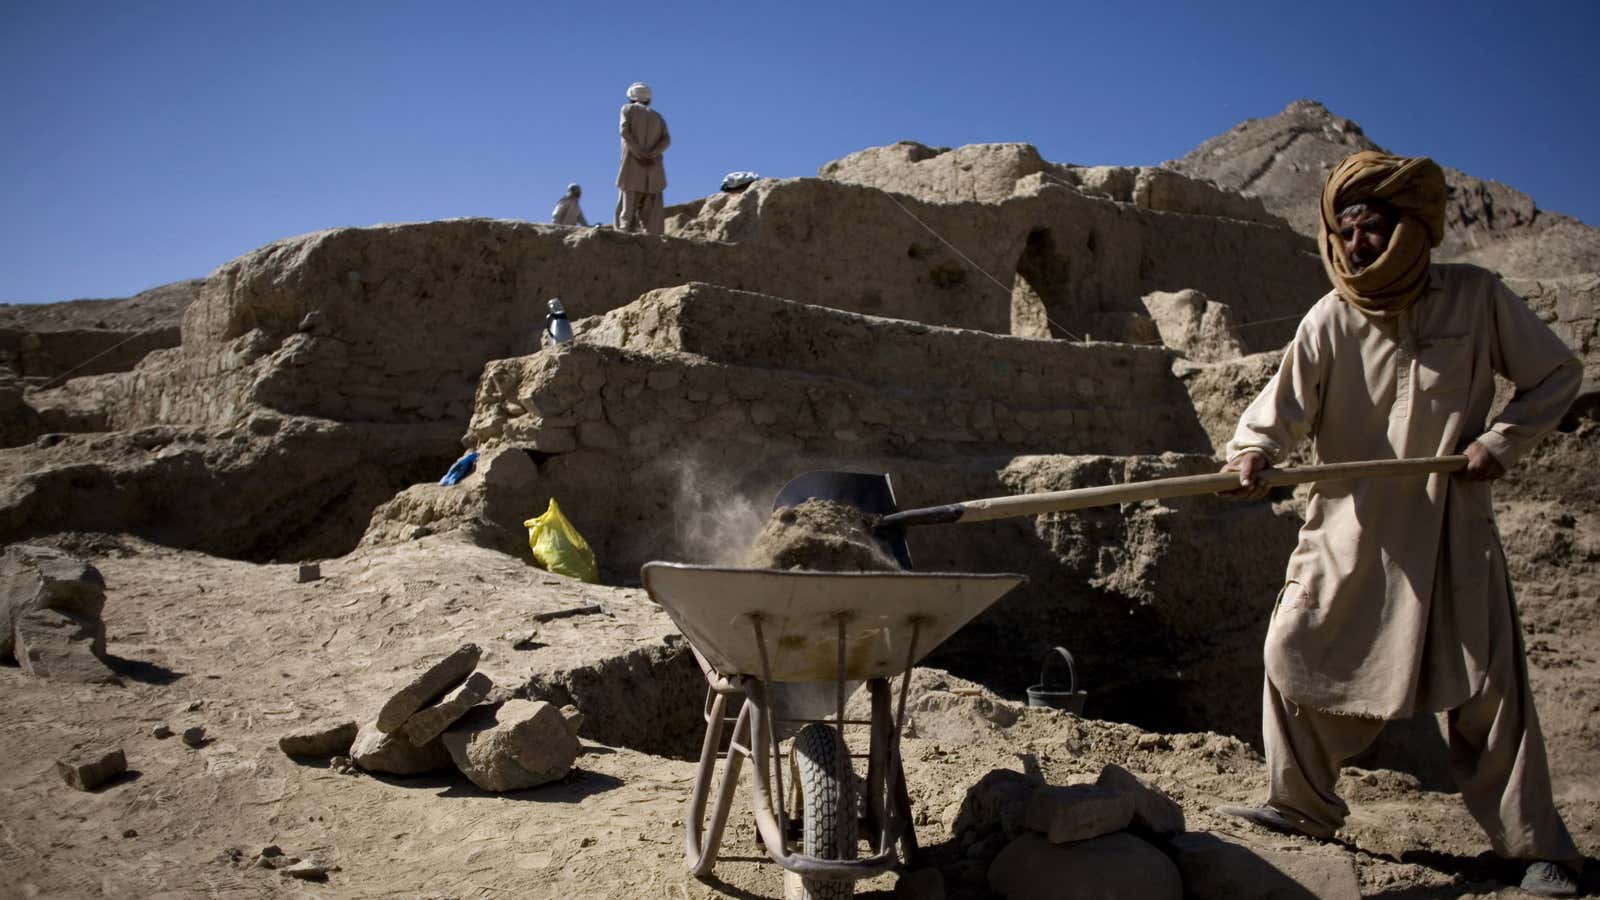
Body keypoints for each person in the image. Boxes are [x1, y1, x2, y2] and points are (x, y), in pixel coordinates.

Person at [1216, 150, 1584, 897]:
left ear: (1412, 228)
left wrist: (1499, 442)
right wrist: (1253, 454)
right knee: (1292, 648)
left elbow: (1556, 374)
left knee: (1487, 686)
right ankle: (1301, 805)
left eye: (1374, 228)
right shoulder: (1330, 318)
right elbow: (1276, 415)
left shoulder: (1477, 299)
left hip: (1452, 528)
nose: (1358, 246)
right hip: (1351, 530)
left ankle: (1534, 848)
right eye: (1346, 231)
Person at [615, 81, 671, 234]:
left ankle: (624, 235)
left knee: (627, 207)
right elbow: (667, 141)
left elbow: (625, 132)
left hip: (633, 163)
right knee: (652, 213)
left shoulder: (627, 109)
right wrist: (652, 154)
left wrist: (639, 153)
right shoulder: (658, 117)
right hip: (653, 167)